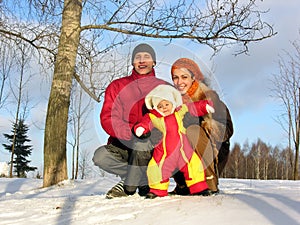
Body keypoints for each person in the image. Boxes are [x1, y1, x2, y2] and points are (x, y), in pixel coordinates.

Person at [92, 43, 167, 199]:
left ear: (154, 62)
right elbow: (108, 118)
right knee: (100, 156)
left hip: (152, 148)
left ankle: (128, 187)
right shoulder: (117, 86)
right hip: (123, 144)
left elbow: (172, 118)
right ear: (132, 62)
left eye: (147, 57)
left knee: (143, 143)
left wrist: (152, 133)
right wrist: (132, 133)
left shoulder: (164, 88)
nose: (142, 61)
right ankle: (142, 180)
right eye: (137, 57)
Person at [133, 84, 215, 198]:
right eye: (160, 106)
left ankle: (199, 187)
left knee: (194, 165)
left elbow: (192, 107)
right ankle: (157, 190)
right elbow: (145, 122)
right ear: (156, 107)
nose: (164, 107)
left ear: (173, 103)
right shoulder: (154, 117)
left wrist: (205, 106)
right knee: (156, 168)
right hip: (164, 152)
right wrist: (140, 128)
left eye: (167, 104)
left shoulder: (178, 112)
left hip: (183, 150)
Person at [170, 58, 234, 195]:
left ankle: (210, 182)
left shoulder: (210, 99)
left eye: (184, 77)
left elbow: (227, 130)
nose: (179, 82)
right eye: (175, 77)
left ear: (194, 78)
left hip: (210, 153)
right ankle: (183, 183)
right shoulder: (171, 103)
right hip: (184, 159)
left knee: (193, 130)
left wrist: (201, 122)